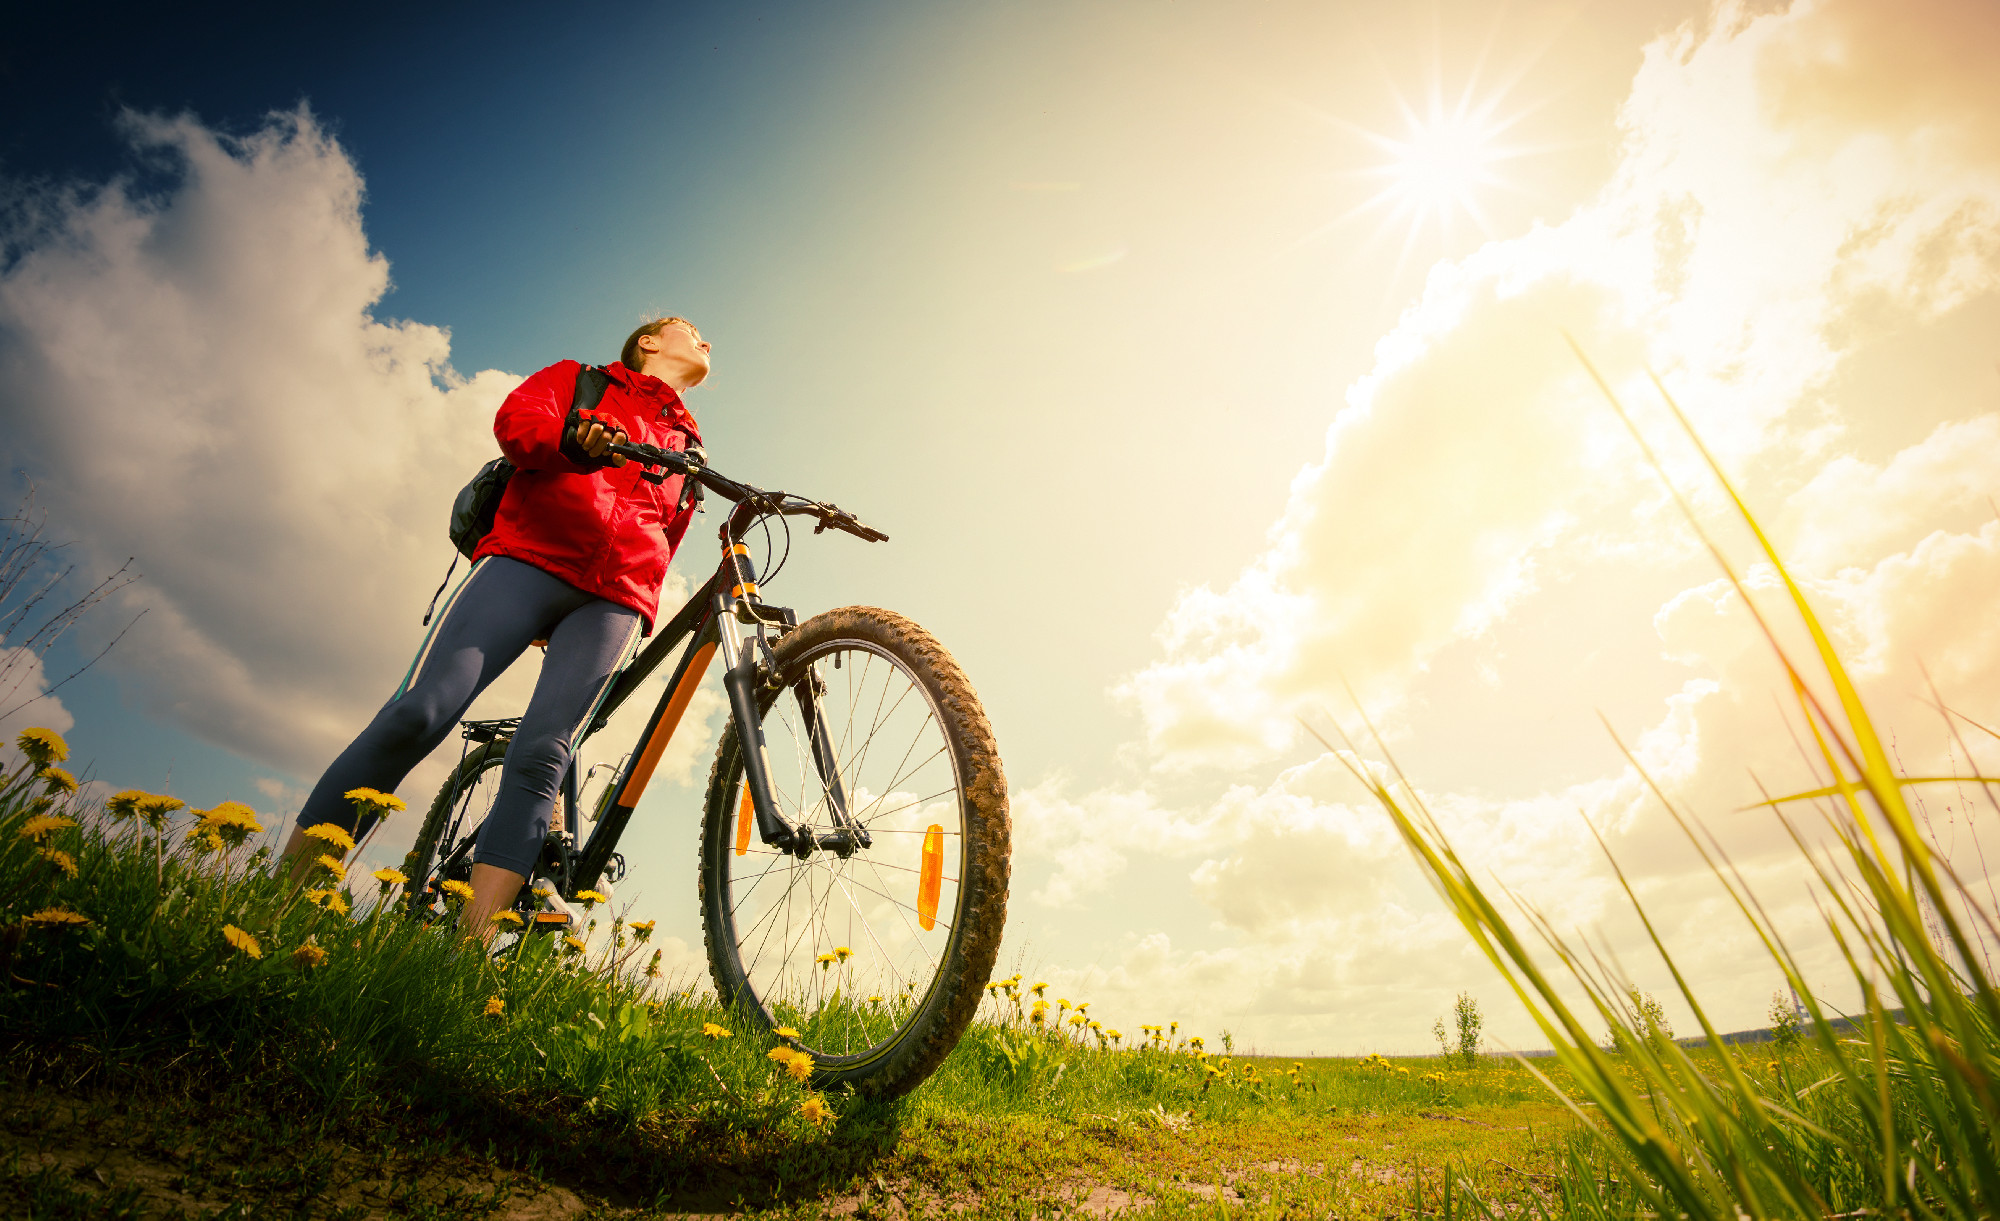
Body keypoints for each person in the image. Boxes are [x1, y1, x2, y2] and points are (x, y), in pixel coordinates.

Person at [278, 316, 713, 937]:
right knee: (420, 712)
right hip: (529, 560)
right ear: (649, 341)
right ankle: (285, 900)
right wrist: (573, 437)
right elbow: (517, 424)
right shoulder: (580, 382)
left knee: (544, 753)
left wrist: (639, 596)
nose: (706, 342)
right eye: (690, 329)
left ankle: (468, 951)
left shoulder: (689, 441)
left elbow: (667, 530)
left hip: (615, 598)